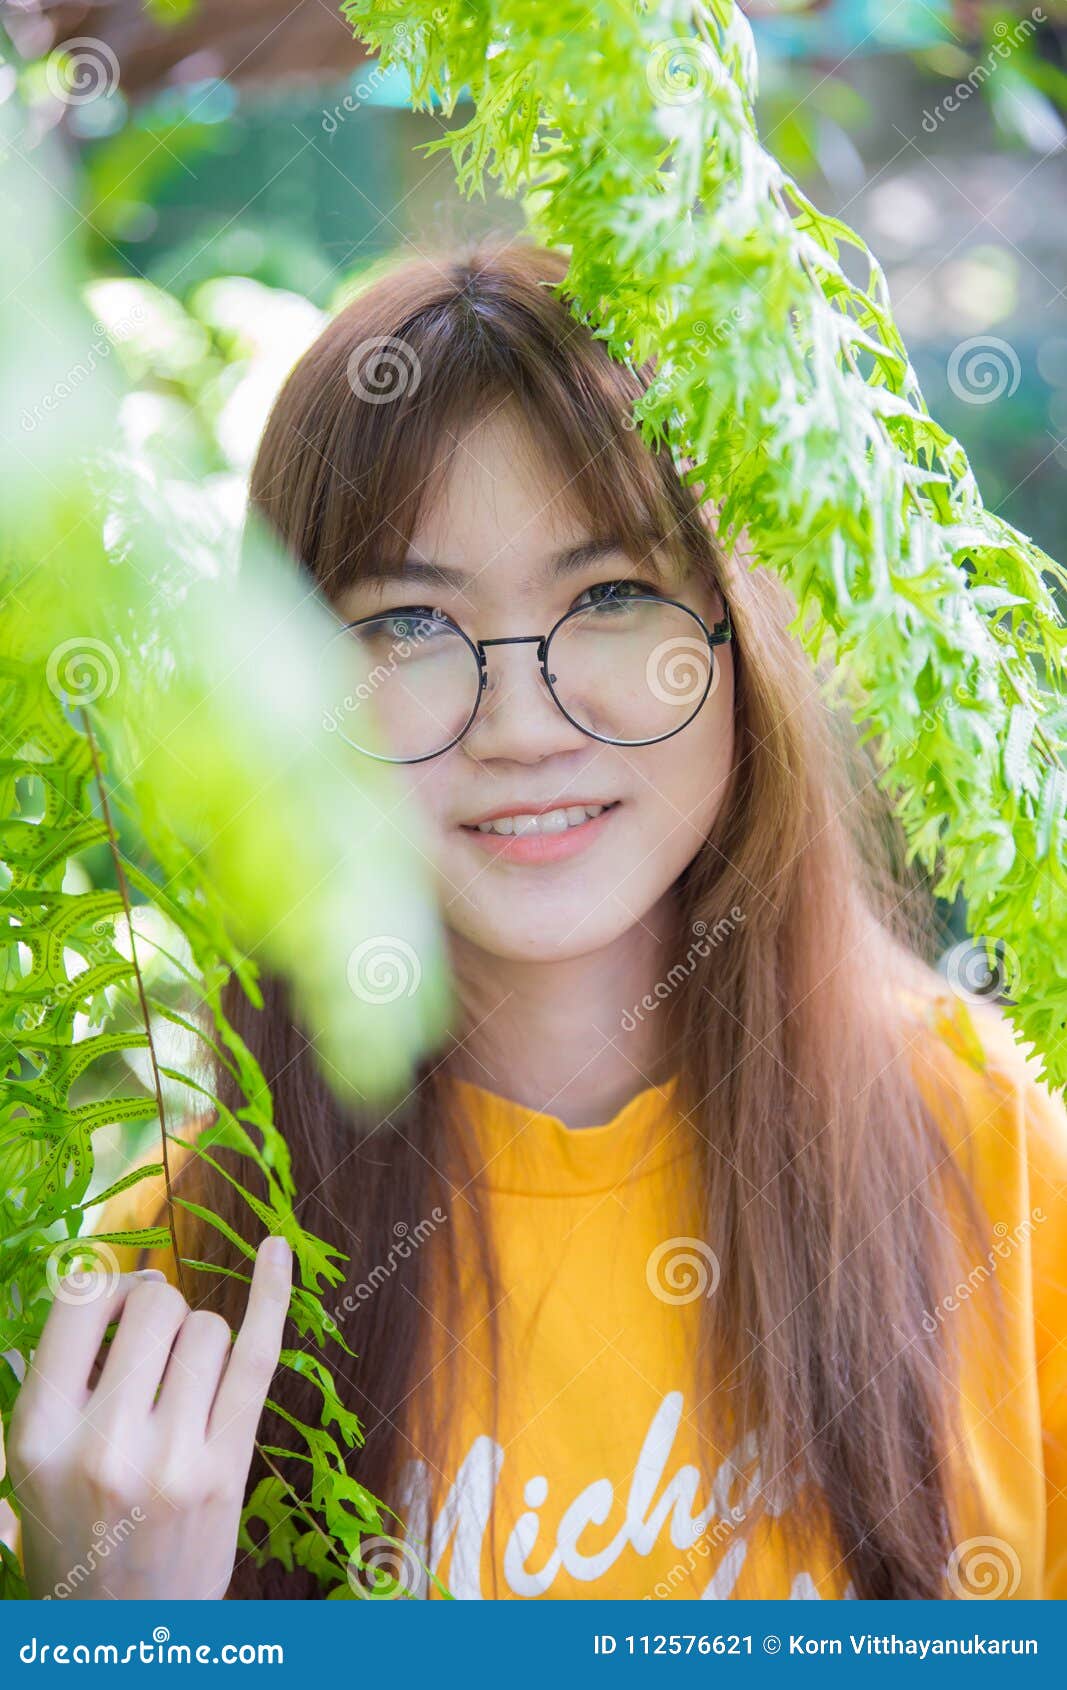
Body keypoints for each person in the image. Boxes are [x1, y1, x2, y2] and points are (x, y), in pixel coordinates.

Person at [7, 241, 1067, 1602]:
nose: (520, 723)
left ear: (745, 631)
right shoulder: (171, 1290)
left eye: (611, 595)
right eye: (408, 620)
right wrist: (113, 1634)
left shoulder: (998, 1144)